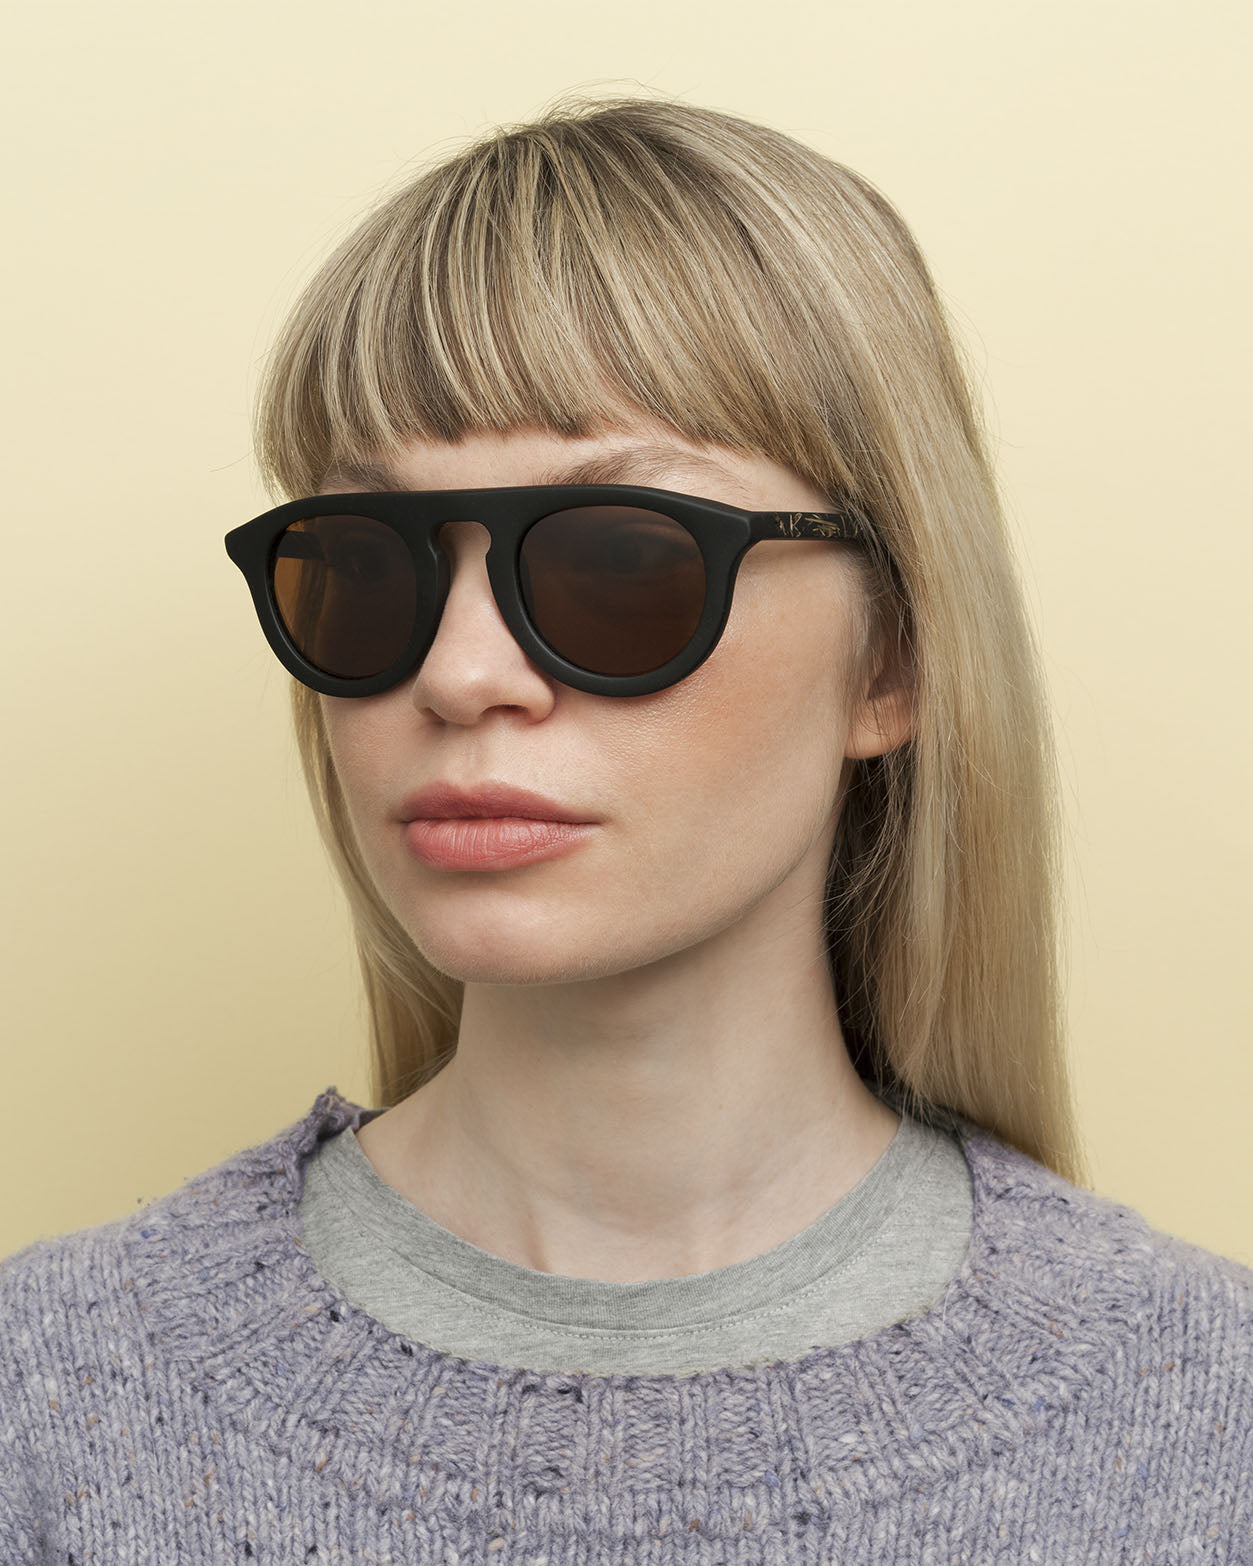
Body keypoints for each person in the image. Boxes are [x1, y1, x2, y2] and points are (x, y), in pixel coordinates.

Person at [2, 94, 1249, 1563]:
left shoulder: (1204, 1426)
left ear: (894, 659)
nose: (460, 674)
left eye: (618, 562)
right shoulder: (53, 1401)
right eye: (367, 560)